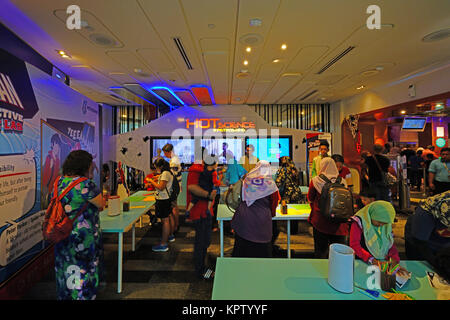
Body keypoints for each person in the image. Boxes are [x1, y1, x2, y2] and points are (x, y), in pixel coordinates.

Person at [52, 150, 105, 300]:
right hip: (83, 239)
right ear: (85, 166)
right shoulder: (86, 185)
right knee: (84, 270)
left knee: (65, 269)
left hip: (62, 235)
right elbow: (101, 204)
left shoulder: (58, 182)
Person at [231, 161, 280, 258]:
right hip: (261, 223)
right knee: (261, 254)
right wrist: (271, 214)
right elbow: (274, 204)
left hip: (242, 220)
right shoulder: (271, 184)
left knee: (241, 252)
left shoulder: (246, 179)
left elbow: (236, 197)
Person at [349, 201, 408, 275]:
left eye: (385, 223)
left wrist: (394, 258)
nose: (381, 225)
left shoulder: (385, 224)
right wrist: (372, 260)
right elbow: (354, 245)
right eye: (379, 222)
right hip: (361, 261)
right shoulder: (359, 222)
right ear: (372, 215)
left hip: (381, 263)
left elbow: (389, 243)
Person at [307, 157, 348, 259]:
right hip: (339, 222)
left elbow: (310, 198)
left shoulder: (316, 181)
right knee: (338, 252)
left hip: (320, 221)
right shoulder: (342, 181)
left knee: (320, 251)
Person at [186, 151, 218, 279]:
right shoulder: (196, 170)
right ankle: (201, 270)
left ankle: (201, 264)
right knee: (201, 241)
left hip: (205, 211)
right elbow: (192, 188)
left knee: (205, 240)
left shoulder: (202, 169)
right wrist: (209, 195)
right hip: (200, 212)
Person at [404, 190, 450, 266]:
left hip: (441, 239)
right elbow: (420, 244)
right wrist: (436, 265)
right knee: (420, 267)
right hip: (420, 240)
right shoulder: (424, 214)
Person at [147, 158, 175, 252]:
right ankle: (168, 237)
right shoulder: (167, 173)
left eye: (156, 167)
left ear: (160, 166)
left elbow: (161, 187)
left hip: (163, 199)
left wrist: (151, 182)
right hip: (165, 199)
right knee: (167, 218)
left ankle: (163, 244)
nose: (156, 169)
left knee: (165, 221)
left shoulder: (165, 174)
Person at [275, 156, 302, 235]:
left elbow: (278, 182)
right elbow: (298, 181)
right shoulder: (294, 169)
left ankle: (289, 231)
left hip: (287, 193)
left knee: (287, 212)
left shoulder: (282, 170)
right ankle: (294, 230)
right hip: (296, 192)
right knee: (294, 212)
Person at [162, 143, 182, 233]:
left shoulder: (173, 161)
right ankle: (176, 225)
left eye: (165, 153)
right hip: (176, 186)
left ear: (169, 151)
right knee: (174, 205)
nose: (164, 155)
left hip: (174, 186)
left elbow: (172, 175)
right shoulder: (174, 159)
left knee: (173, 206)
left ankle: (175, 226)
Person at [42, 134, 62, 207]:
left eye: (58, 146)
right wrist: (50, 166)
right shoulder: (48, 157)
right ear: (52, 145)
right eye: (56, 145)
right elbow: (44, 176)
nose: (57, 148)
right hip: (46, 189)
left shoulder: (58, 160)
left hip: (53, 189)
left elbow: (57, 175)